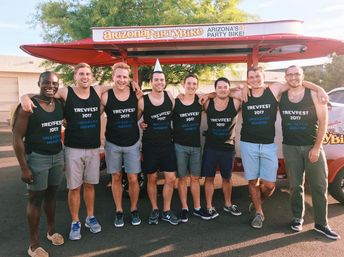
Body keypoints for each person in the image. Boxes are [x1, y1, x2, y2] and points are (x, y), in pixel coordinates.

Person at [240, 66, 329, 229]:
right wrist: (243, 87)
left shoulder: (274, 89)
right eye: (251, 77)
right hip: (248, 143)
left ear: (263, 77)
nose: (255, 80)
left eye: (257, 76)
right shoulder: (243, 93)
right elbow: (221, 92)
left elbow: (297, 82)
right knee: (253, 181)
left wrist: (319, 87)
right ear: (247, 79)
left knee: (270, 185)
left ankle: (259, 201)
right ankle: (259, 213)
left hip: (268, 144)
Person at [280, 65, 340, 240]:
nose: (293, 77)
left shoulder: (313, 95)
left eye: (297, 74)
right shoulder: (281, 95)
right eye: (289, 74)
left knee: (319, 186)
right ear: (285, 77)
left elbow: (323, 122)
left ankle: (322, 223)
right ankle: (297, 218)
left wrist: (315, 148)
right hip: (290, 147)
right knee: (295, 186)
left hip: (312, 146)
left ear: (302, 76)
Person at [13, 71, 65, 257]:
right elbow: (17, 137)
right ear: (39, 83)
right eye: (46, 83)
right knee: (35, 199)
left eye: (54, 83)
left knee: (51, 196)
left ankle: (51, 232)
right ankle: (33, 245)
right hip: (37, 158)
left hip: (57, 156)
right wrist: (24, 167)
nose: (51, 86)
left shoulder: (59, 104)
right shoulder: (28, 106)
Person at [137, 64, 180, 225]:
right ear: (151, 81)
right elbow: (136, 118)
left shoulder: (170, 97)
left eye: (162, 80)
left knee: (170, 178)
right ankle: (155, 209)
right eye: (156, 80)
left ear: (165, 82)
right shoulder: (143, 101)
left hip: (167, 144)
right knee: (152, 178)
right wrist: (141, 124)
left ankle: (166, 211)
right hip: (149, 146)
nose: (159, 82)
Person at [101, 62, 142, 227]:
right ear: (113, 77)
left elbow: (139, 114)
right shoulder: (106, 96)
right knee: (116, 177)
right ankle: (119, 210)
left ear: (129, 79)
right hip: (112, 143)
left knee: (133, 178)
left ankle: (133, 209)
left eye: (125, 77)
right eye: (118, 76)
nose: (122, 80)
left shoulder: (136, 95)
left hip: (132, 143)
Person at [202, 77, 242, 219]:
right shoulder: (207, 103)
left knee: (227, 178)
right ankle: (209, 206)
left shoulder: (235, 102)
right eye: (220, 87)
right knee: (209, 178)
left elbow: (242, 92)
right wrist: (209, 95)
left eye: (225, 87)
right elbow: (195, 97)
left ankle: (228, 204)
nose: (223, 89)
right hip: (211, 147)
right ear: (215, 88)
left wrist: (228, 92)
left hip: (227, 147)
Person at [173, 74, 212, 222]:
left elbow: (220, 93)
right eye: (189, 83)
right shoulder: (175, 102)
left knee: (195, 178)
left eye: (194, 84)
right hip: (179, 146)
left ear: (197, 86)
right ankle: (184, 208)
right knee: (182, 178)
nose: (191, 86)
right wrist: (144, 123)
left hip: (196, 146)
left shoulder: (200, 100)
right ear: (184, 85)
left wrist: (208, 94)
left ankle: (197, 208)